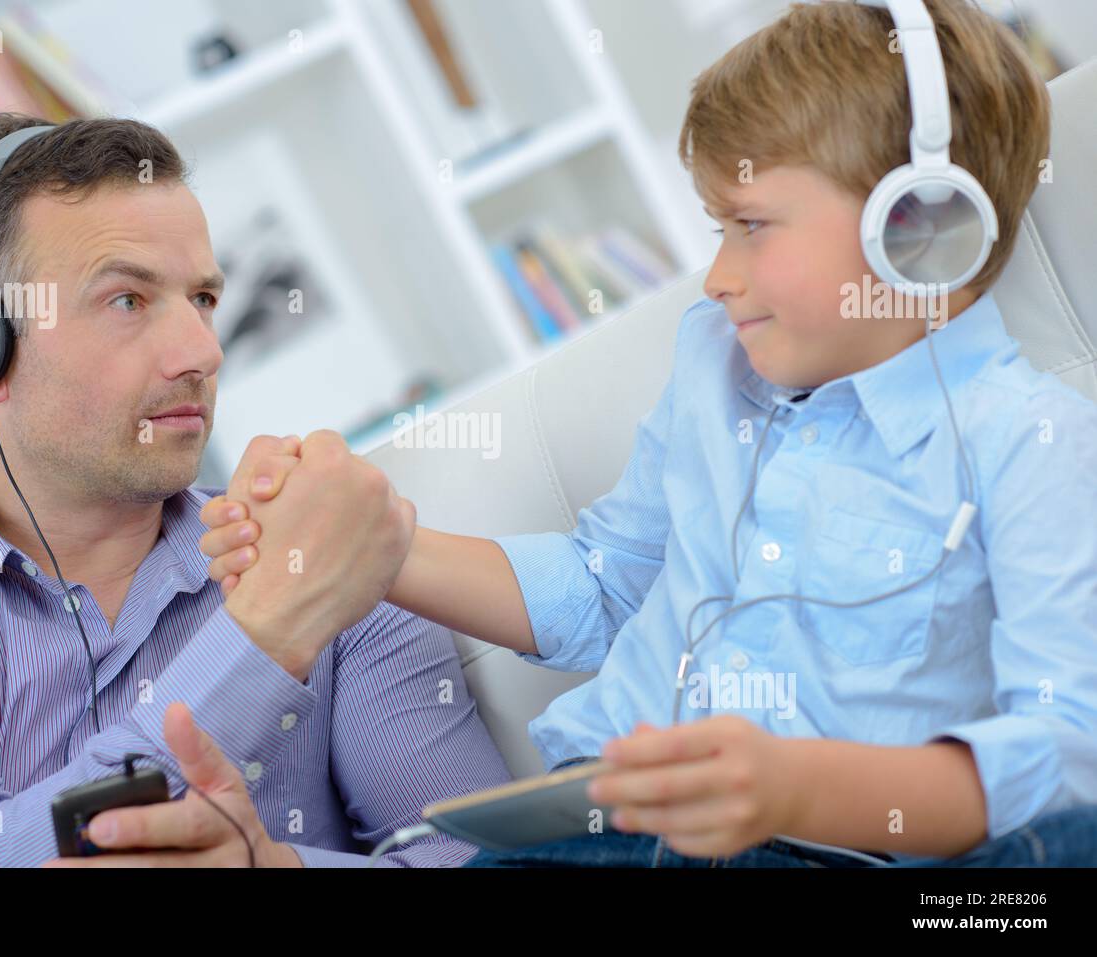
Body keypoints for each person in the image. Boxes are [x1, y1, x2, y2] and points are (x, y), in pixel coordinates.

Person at [210, 0, 1097, 867]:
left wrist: (798, 787)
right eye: (719, 229)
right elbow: (605, 589)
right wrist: (373, 543)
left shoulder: (1031, 445)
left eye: (751, 226)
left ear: (921, 227)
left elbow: (1064, 756)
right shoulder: (717, 365)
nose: (715, 276)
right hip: (587, 827)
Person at [0, 114, 511, 867]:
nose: (204, 351)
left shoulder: (326, 553)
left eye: (202, 299)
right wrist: (265, 636)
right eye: (128, 301)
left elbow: (479, 860)